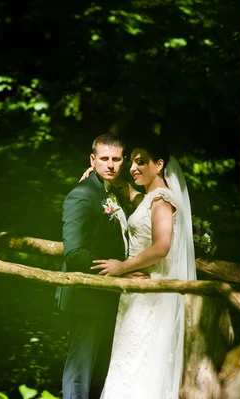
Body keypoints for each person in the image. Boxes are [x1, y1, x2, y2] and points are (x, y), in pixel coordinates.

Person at [81, 140, 196, 398]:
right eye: (131, 161)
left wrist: (123, 266)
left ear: (159, 165)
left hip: (151, 294)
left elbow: (161, 247)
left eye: (140, 161)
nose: (132, 167)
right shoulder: (149, 198)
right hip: (136, 290)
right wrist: (95, 174)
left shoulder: (162, 200)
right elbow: (128, 190)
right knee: (128, 358)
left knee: (139, 360)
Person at [58, 134, 147, 399]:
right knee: (80, 367)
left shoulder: (113, 191)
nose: (110, 164)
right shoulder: (82, 195)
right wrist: (123, 268)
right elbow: (73, 253)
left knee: (102, 370)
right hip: (86, 295)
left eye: (116, 159)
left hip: (110, 295)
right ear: (92, 160)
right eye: (104, 159)